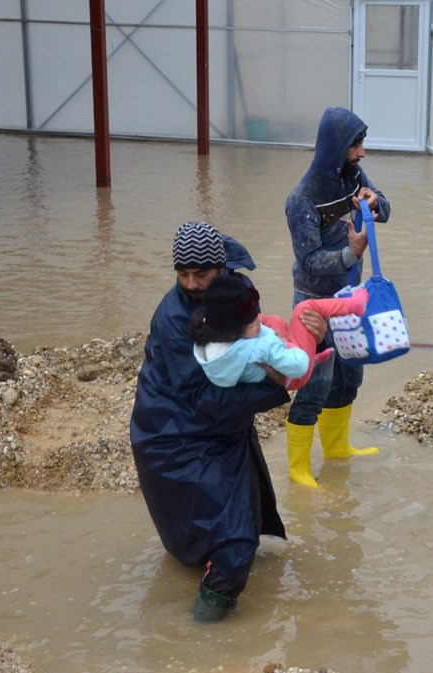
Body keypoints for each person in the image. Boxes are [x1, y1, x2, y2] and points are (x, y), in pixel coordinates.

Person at [129, 221, 326, 623]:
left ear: (222, 268)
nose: (191, 283)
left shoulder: (233, 289)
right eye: (182, 275)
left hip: (221, 427)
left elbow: (261, 338)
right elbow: (203, 397)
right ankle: (199, 633)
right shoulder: (173, 319)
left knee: (245, 516)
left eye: (200, 274)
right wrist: (280, 385)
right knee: (234, 546)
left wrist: (313, 336)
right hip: (174, 434)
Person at [283, 106, 391, 489]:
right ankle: (298, 469)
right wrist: (353, 253)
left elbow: (387, 208)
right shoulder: (301, 199)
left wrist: (375, 203)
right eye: (356, 145)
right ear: (336, 146)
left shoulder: (353, 176)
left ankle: (337, 448)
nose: (362, 153)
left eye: (362, 144)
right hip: (313, 304)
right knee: (314, 384)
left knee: (348, 378)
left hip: (351, 298)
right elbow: (310, 261)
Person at [191, 274, 368, 392]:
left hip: (271, 368)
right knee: (304, 308)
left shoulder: (210, 336)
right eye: (252, 323)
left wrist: (265, 332)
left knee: (272, 320)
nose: (258, 321)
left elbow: (255, 327)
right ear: (233, 332)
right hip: (295, 373)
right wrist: (284, 344)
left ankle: (314, 355)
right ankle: (354, 305)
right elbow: (300, 366)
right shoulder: (263, 347)